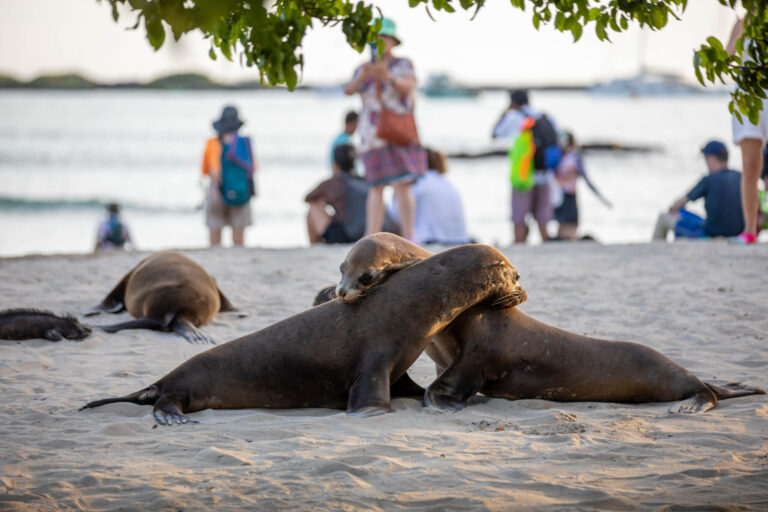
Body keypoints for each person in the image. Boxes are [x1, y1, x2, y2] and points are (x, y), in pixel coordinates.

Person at [343, 17, 427, 242]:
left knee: (402, 184)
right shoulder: (363, 68)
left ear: (391, 41)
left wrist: (387, 77)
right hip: (371, 135)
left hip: (398, 131)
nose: (379, 43)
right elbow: (349, 90)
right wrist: (365, 75)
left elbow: (408, 86)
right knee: (376, 185)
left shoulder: (403, 65)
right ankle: (371, 236)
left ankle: (410, 235)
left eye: (383, 38)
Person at [492, 89, 559, 244]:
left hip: (524, 176)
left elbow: (495, 134)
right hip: (545, 174)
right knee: (543, 220)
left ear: (512, 102)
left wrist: (504, 113)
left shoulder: (514, 117)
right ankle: (546, 247)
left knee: (519, 218)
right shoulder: (545, 116)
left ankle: (519, 245)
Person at [727, 17, 767, 244]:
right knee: (751, 168)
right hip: (748, 98)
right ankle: (750, 230)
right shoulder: (741, 23)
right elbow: (728, 56)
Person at [652, 140, 744, 241]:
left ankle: (653, 249)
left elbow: (681, 202)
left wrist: (673, 208)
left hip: (711, 233)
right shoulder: (741, 177)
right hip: (738, 232)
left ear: (711, 159)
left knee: (664, 217)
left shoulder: (708, 179)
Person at [201, 106, 257, 247]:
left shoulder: (212, 143)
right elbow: (253, 168)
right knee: (238, 238)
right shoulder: (244, 143)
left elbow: (205, 170)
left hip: (216, 191)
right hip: (241, 191)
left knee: (215, 234)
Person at [390, 148, 470, 245]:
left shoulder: (416, 182)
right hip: (461, 239)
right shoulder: (445, 182)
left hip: (431, 240)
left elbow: (396, 217)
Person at [553, 131, 612, 240]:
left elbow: (587, 179)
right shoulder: (558, 156)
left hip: (570, 196)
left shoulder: (575, 157)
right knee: (561, 228)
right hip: (559, 197)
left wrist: (602, 198)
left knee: (571, 227)